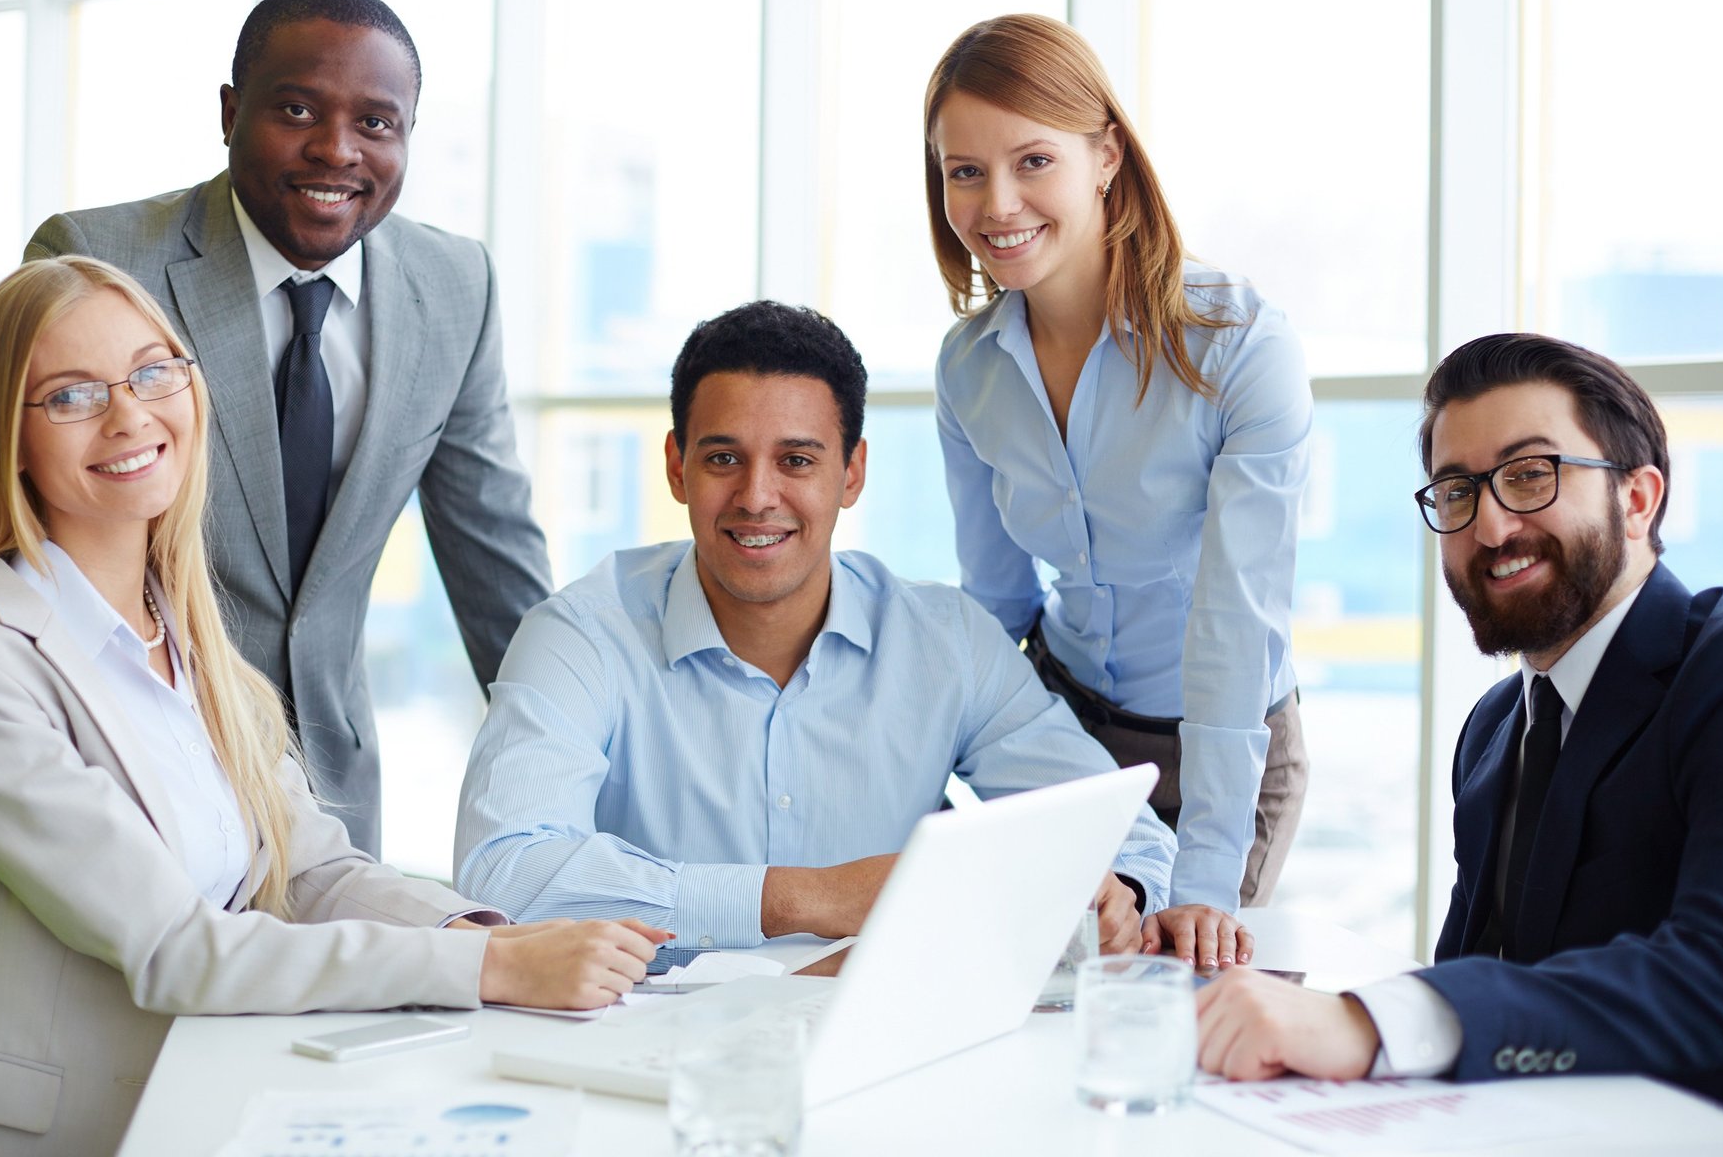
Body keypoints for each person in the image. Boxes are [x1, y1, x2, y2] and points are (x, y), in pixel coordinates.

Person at [0, 258, 661, 1156]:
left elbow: (309, 872)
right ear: (4, 437)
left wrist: (487, 933)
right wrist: (493, 969)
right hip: (33, 1131)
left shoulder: (186, 630)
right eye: (70, 395)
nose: (130, 414)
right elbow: (176, 945)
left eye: (152, 371)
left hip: (201, 1092)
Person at [0, 0, 551, 858]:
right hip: (116, 766)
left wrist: (574, 793)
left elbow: (496, 564)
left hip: (329, 795)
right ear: (231, 111)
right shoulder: (99, 258)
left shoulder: (456, 287)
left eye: (376, 124)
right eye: (297, 109)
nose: (335, 151)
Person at [454, 301, 1253, 969]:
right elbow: (504, 874)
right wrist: (814, 896)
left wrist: (1120, 896)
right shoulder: (580, 636)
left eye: (797, 460)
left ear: (852, 472)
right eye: (723, 458)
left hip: (888, 1047)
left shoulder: (944, 642)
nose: (757, 496)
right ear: (676, 467)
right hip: (643, 1044)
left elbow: (1127, 834)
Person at [1192, 334, 1723, 1129]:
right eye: (1457, 492)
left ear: (1639, 498)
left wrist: (1368, 1024)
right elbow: (1478, 984)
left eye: (1529, 475)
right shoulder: (1493, 730)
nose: (1490, 526)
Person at [924, 14, 1312, 912]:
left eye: (1033, 162)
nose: (998, 206)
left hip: (1223, 740)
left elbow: (1234, 628)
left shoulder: (1239, 349)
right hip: (1064, 737)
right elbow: (996, 605)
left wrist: (1205, 883)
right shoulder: (968, 368)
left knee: (1181, 998)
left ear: (1105, 156)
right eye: (965, 173)